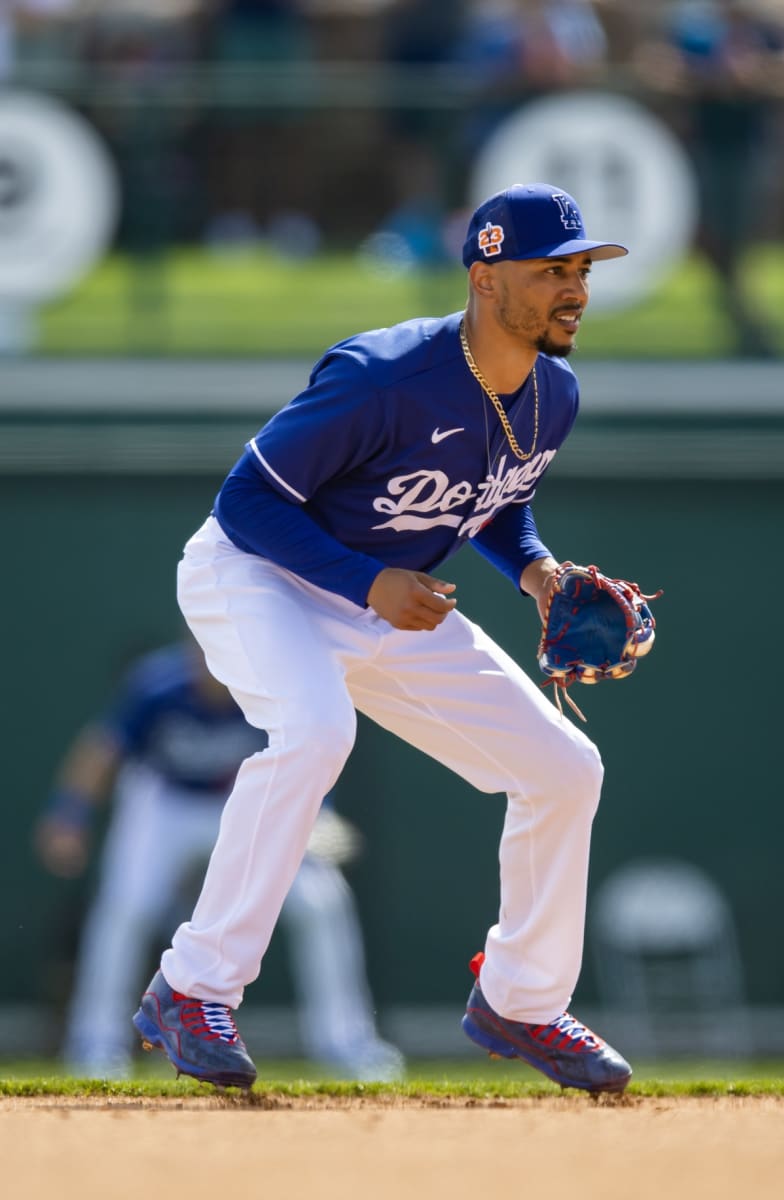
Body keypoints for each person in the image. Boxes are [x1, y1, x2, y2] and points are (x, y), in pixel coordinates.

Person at [132, 182, 635, 1094]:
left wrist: (537, 572)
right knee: (316, 730)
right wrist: (368, 581)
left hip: (392, 607)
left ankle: (520, 1002)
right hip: (257, 577)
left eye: (579, 270)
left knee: (563, 769)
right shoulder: (383, 375)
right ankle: (190, 987)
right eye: (549, 271)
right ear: (485, 278)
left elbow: (495, 502)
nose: (573, 289)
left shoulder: (550, 392)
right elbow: (243, 503)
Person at [35, 638, 404, 1081]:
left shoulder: (269, 687)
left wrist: (317, 819)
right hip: (165, 804)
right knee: (127, 906)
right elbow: (102, 749)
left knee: (320, 903)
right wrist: (68, 813)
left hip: (243, 803)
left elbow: (310, 760)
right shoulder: (159, 684)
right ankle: (94, 1046)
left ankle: (349, 1046)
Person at [632, 0, 784, 357]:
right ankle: (743, 313)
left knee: (742, 229)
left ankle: (741, 310)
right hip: (702, 144)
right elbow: (653, 67)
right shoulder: (694, 29)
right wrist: (706, 78)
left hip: (752, 147)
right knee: (714, 231)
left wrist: (761, 74)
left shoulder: (770, 31)